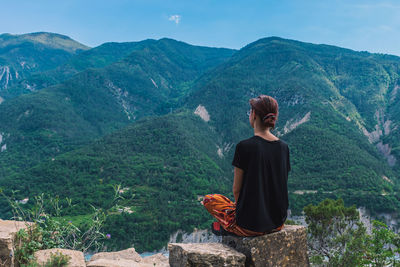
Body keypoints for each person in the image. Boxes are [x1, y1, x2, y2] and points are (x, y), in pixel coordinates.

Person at [202, 95, 290, 236]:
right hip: (277, 223)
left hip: (251, 225)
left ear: (254, 115)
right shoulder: (284, 147)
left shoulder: (244, 147)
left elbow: (237, 190)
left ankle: (229, 227)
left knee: (209, 199)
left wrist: (241, 211)